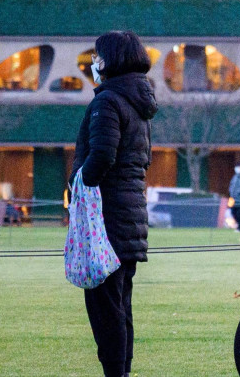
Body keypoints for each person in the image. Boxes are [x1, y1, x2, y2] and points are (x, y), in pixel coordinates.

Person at [71, 30, 157, 377]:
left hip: (107, 218)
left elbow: (103, 155)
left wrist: (80, 183)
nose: (94, 62)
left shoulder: (108, 101)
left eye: (98, 55)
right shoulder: (138, 102)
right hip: (129, 216)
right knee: (120, 304)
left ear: (112, 60)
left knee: (106, 307)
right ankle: (122, 371)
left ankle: (115, 373)